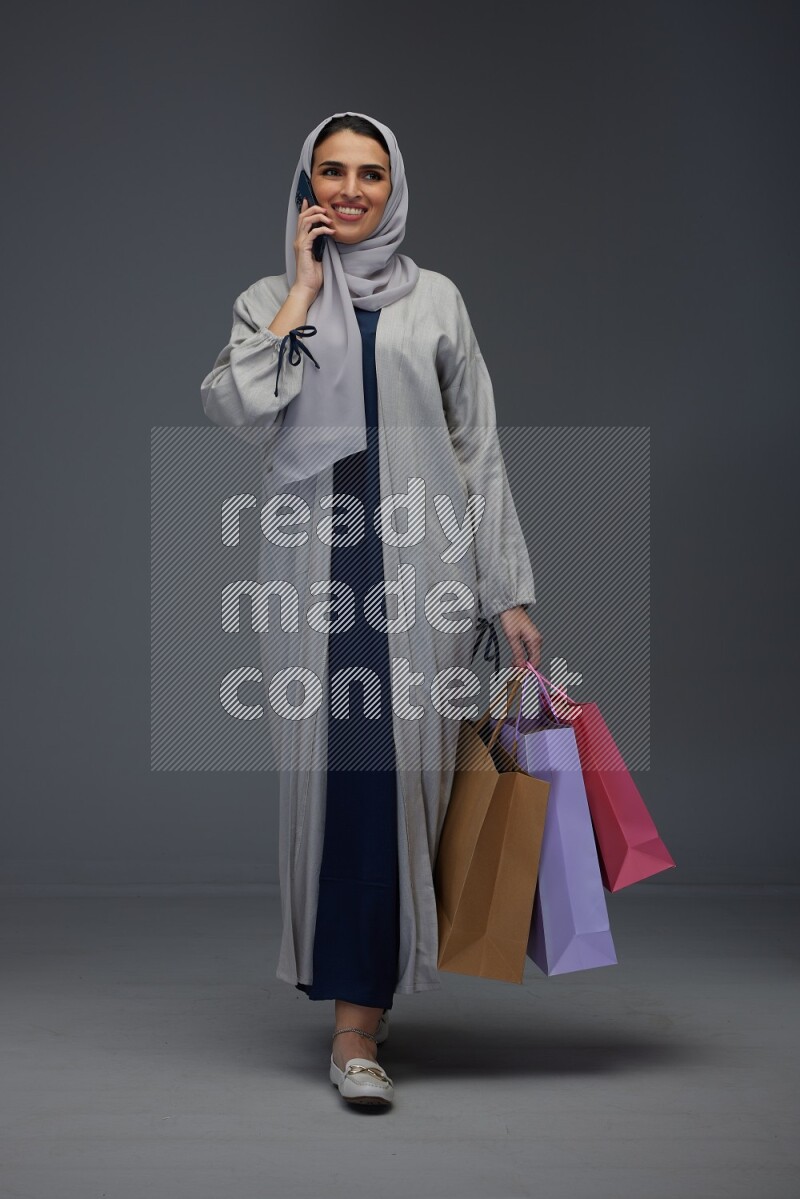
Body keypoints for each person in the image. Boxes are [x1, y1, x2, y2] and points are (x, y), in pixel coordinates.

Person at [200, 111, 542, 1108]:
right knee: (337, 790)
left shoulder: (436, 301)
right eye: (333, 171)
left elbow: (476, 449)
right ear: (306, 182)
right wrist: (303, 295)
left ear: (395, 189)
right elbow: (233, 406)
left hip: (422, 578)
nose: (351, 189)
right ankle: (354, 1026)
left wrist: (506, 588)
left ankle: (364, 1016)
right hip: (314, 584)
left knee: (404, 793)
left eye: (371, 174)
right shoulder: (270, 297)